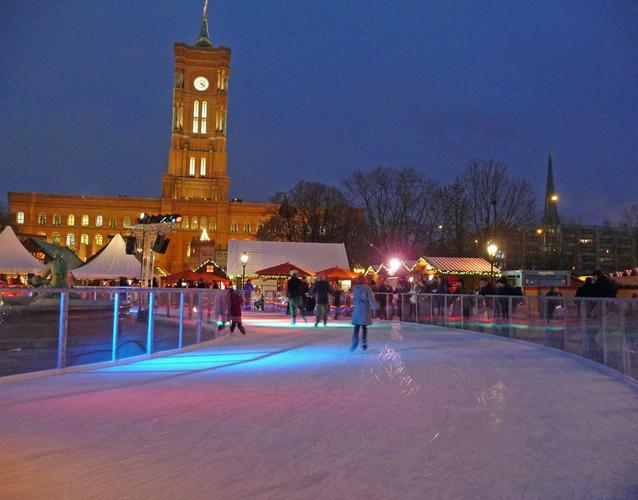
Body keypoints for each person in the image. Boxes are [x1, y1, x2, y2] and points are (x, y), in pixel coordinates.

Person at [350, 275, 378, 351]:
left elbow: (353, 299)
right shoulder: (367, 288)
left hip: (357, 309)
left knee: (357, 326)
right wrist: (374, 307)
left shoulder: (355, 288)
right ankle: (364, 343)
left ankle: (354, 341)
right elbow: (371, 298)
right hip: (365, 309)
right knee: (364, 327)